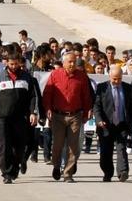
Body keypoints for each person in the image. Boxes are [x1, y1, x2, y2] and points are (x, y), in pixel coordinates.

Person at [0, 52, 39, 184]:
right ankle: (6, 173)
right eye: (11, 64)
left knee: (19, 146)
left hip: (20, 117)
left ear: (20, 63)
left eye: (16, 64)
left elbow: (33, 96)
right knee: (4, 145)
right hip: (2, 117)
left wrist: (33, 112)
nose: (14, 66)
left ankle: (15, 169)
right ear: (7, 63)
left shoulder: (26, 77)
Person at [43, 53, 93, 183]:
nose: (72, 64)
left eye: (74, 62)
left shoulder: (81, 77)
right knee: (58, 144)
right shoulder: (55, 75)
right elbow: (47, 93)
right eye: (69, 62)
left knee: (73, 145)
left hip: (75, 115)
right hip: (58, 116)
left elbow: (86, 96)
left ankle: (68, 173)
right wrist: (47, 108)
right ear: (63, 63)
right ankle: (56, 165)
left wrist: (88, 111)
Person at [94, 65, 132, 182]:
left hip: (121, 124)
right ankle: (108, 173)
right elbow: (96, 106)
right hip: (106, 125)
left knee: (122, 148)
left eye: (119, 79)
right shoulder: (102, 88)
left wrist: (130, 122)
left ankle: (123, 172)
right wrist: (99, 120)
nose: (117, 82)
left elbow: (131, 107)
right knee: (106, 152)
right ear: (109, 76)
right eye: (114, 79)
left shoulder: (128, 88)